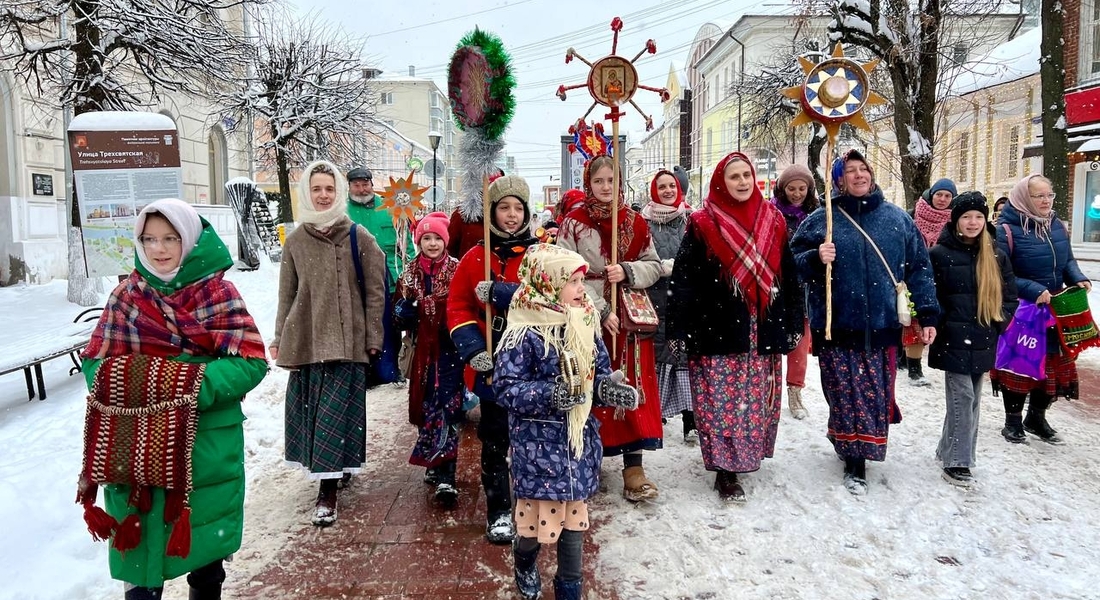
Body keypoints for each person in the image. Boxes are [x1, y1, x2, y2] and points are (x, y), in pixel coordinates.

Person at [78, 198, 268, 600]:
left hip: (203, 449)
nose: (159, 249)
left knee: (203, 554)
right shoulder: (125, 297)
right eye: (149, 239)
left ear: (190, 241)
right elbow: (97, 368)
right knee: (140, 558)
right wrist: (149, 382)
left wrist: (182, 384)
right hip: (133, 448)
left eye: (170, 238)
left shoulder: (219, 294)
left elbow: (250, 362)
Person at [493, 243, 640, 600]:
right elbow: (506, 388)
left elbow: (597, 372)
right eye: (573, 281)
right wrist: (551, 395)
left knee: (573, 532)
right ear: (547, 282)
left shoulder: (585, 319)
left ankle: (568, 590)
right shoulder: (524, 331)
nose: (581, 289)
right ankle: (524, 559)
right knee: (532, 532)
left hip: (576, 445)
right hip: (538, 448)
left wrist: (606, 390)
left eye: (580, 281)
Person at [790, 149, 939, 495]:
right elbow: (792, 262)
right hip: (836, 324)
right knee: (842, 393)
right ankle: (852, 456)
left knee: (874, 394)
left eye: (863, 169)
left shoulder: (897, 219)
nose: (859, 175)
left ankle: (863, 448)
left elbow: (919, 268)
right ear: (838, 180)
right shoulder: (822, 219)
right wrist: (816, 257)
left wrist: (928, 313)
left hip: (883, 324)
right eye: (850, 171)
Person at [667, 153, 804, 502]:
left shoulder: (773, 219)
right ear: (720, 183)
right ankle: (725, 470)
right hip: (717, 326)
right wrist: (679, 330)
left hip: (762, 326)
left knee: (755, 399)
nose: (742, 182)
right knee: (721, 401)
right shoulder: (703, 223)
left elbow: (788, 276)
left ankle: (748, 454)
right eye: (734, 177)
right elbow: (684, 280)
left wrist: (792, 320)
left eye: (747, 175)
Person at [272, 160, 387, 526]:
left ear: (339, 193)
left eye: (329, 189)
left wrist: (373, 337)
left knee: (336, 416)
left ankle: (328, 490)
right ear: (307, 192)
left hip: (346, 342)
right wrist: (280, 338)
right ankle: (333, 471)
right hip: (307, 339)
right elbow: (286, 294)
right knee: (315, 415)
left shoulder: (357, 237)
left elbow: (375, 292)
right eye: (317, 189)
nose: (323, 196)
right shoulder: (296, 241)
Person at [557, 155, 664, 502]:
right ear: (589, 183)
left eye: (611, 181)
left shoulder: (636, 221)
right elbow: (564, 270)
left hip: (629, 318)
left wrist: (628, 271)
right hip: (585, 315)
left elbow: (655, 265)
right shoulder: (573, 223)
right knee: (590, 384)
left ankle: (634, 466)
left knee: (630, 383)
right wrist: (600, 309)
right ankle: (590, 456)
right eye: (599, 181)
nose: (606, 188)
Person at [447, 174, 540, 543]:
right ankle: (499, 508)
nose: (512, 215)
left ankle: (534, 500)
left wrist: (504, 293)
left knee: (533, 437)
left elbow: (548, 298)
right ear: (491, 213)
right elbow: (458, 306)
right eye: (504, 207)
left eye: (518, 208)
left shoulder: (539, 256)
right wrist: (474, 350)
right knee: (495, 439)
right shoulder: (474, 258)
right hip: (492, 361)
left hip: (532, 364)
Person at [992, 174, 1092, 445]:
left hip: (1055, 306)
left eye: (1049, 195)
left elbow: (1067, 260)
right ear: (1025, 197)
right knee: (1021, 367)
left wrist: (1077, 277)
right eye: (1039, 196)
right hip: (1024, 310)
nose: (1046, 201)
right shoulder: (1006, 230)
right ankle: (1012, 422)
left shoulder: (1057, 225)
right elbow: (1001, 273)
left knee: (1054, 366)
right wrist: (1033, 290)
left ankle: (1036, 418)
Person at [928, 192, 1018, 486]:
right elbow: (932, 296)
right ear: (955, 221)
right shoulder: (939, 255)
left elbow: (1009, 296)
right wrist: (938, 322)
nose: (973, 222)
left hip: (983, 335)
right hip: (952, 337)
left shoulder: (996, 255)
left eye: (978, 216)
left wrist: (999, 322)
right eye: (966, 216)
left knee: (972, 399)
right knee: (962, 397)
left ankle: (946, 448)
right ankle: (958, 461)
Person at [394, 211, 464, 506]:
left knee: (448, 406)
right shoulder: (408, 273)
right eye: (426, 238)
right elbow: (397, 312)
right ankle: (434, 463)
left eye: (438, 237)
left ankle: (447, 473)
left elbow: (463, 305)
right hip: (422, 353)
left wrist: (442, 314)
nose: (432, 243)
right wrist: (404, 312)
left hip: (450, 350)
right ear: (418, 241)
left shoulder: (457, 270)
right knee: (426, 406)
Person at [641, 168, 696, 442]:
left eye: (671, 186)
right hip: (656, 296)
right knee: (659, 355)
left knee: (686, 356)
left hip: (686, 297)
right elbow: (641, 255)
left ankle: (691, 420)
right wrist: (659, 268)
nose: (667, 191)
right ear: (654, 191)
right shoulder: (646, 222)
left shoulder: (691, 218)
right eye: (662, 187)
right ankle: (657, 414)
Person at [347, 166, 415, 386]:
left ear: (371, 185)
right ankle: (363, 371)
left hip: (390, 280)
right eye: (356, 185)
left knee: (389, 326)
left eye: (365, 184)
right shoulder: (342, 212)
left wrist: (409, 274)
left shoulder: (389, 208)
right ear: (349, 187)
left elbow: (407, 247)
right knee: (359, 326)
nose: (361, 189)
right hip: (355, 282)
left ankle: (389, 368)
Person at [771, 163, 820, 419]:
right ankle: (770, 388)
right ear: (782, 188)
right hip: (778, 286)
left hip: (806, 288)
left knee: (800, 344)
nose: (797, 193)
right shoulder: (772, 212)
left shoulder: (818, 214)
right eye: (792, 188)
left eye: (802, 188)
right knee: (774, 340)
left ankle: (795, 389)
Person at [905, 177, 957, 386]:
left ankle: (912, 357)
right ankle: (914, 367)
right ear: (931, 194)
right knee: (913, 319)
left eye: (947, 196)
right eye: (939, 195)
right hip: (913, 272)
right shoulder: (912, 216)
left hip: (941, 275)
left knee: (931, 320)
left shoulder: (955, 220)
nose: (943, 199)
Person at [448, 168, 506, 259]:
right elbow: (449, 252)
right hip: (468, 271)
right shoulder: (462, 214)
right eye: (488, 187)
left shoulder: (507, 217)